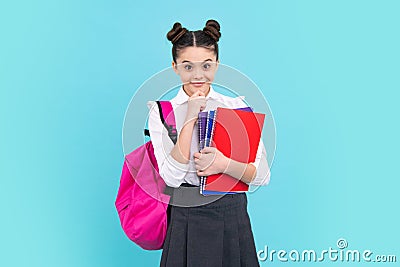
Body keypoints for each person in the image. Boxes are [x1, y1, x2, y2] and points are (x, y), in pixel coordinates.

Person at [146, 19, 271, 267]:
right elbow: (171, 178)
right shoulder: (162, 112)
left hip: (231, 214)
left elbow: (261, 176)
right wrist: (191, 116)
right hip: (185, 216)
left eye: (206, 65)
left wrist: (223, 164)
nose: (198, 75)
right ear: (175, 67)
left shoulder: (237, 107)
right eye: (188, 66)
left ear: (217, 64)